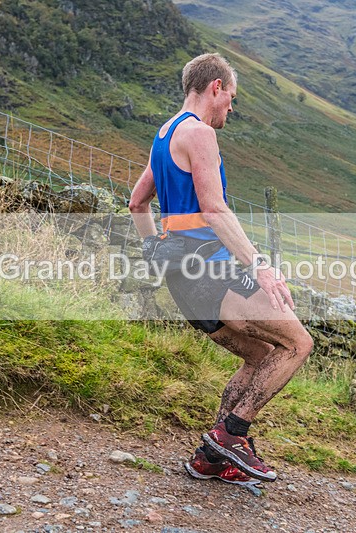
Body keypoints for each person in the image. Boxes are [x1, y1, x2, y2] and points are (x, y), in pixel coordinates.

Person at [129, 53, 313, 484]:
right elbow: (214, 210)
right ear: (215, 88)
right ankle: (231, 435)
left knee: (258, 354)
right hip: (212, 271)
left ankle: (211, 459)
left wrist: (154, 246)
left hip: (183, 281)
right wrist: (262, 266)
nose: (231, 107)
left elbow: (138, 202)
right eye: (231, 98)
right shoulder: (198, 133)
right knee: (297, 343)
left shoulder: (165, 134)